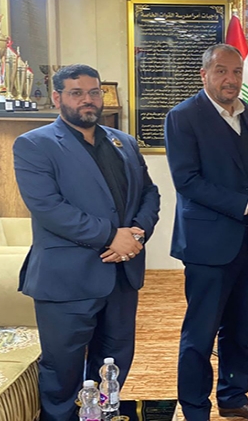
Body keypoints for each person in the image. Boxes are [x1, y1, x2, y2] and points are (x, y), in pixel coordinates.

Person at [13, 64, 160, 421]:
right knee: (62, 371)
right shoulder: (34, 144)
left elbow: (149, 193)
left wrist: (137, 232)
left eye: (94, 92)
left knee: (115, 362)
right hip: (67, 281)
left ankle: (102, 416)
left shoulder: (123, 142)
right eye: (76, 93)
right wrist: (112, 236)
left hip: (121, 276)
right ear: (57, 97)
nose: (87, 100)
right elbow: (48, 208)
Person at [164, 43, 248, 421]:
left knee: (240, 329)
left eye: (236, 72)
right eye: (221, 71)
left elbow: (239, 168)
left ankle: (234, 398)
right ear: (204, 75)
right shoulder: (183, 117)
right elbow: (188, 182)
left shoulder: (244, 111)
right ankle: (195, 409)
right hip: (209, 246)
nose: (230, 79)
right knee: (200, 334)